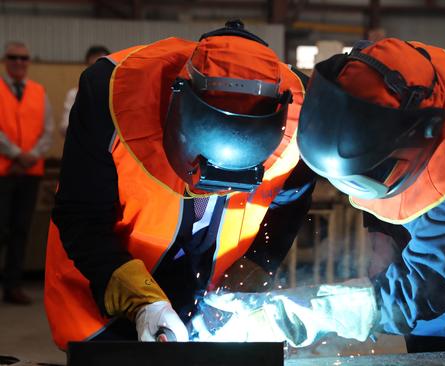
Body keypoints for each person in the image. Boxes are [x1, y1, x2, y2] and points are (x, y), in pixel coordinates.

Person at [196, 38, 445, 352]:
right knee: (426, 343)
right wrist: (381, 235)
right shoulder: (375, 78)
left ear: (416, 139)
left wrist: (290, 315)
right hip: (433, 232)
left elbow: (418, 292)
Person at [44, 21, 315, 350]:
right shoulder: (109, 92)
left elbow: (289, 202)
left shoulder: (300, 110)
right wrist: (144, 303)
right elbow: (80, 217)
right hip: (105, 290)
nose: (214, 192)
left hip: (214, 302)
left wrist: (257, 265)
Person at [0, 41, 54, 305]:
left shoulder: (38, 91)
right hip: (3, 171)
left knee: (21, 230)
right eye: (13, 57)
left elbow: (47, 130)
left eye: (23, 58)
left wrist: (31, 155)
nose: (19, 62)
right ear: (5, 60)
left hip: (30, 171)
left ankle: (13, 286)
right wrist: (15, 153)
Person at [60, 45, 110, 136]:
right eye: (92, 67)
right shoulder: (74, 95)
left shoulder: (116, 96)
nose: (97, 72)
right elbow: (65, 128)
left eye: (101, 67)